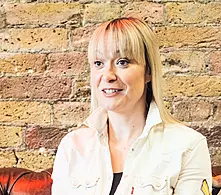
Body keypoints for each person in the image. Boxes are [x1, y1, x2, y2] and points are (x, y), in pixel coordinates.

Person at [51, 17, 212, 195]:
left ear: (148, 72)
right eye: (98, 63)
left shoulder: (187, 146)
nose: (108, 75)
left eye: (123, 62)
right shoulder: (72, 147)